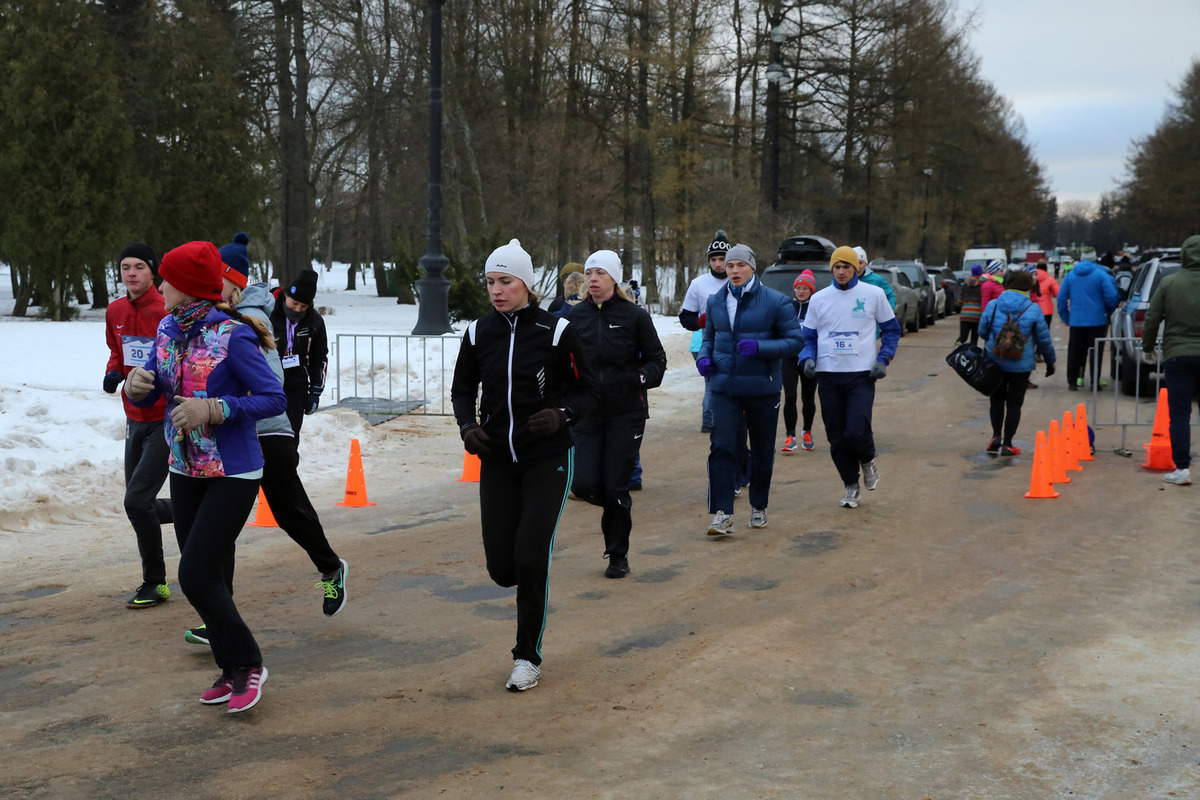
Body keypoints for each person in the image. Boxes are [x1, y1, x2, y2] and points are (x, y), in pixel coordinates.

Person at [124, 240, 286, 714]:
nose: (160, 284)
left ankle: (250, 664)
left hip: (233, 470)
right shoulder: (168, 327)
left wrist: (216, 407)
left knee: (194, 574)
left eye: (167, 278)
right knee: (208, 575)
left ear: (189, 288)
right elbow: (152, 382)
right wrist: (138, 384)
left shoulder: (234, 336)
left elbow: (273, 397)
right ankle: (229, 669)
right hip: (184, 467)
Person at [450, 238, 597, 692]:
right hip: (496, 460)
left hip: (546, 458)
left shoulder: (555, 332)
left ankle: (526, 657)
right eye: (491, 281)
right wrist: (467, 427)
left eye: (506, 281)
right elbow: (460, 391)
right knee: (502, 568)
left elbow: (587, 391)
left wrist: (561, 415)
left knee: (531, 556)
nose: (496, 290)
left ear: (527, 285)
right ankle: (519, 577)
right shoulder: (478, 334)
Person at [219, 233, 348, 617]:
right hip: (237, 429)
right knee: (223, 524)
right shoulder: (239, 314)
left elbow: (275, 381)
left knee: (288, 510)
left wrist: (313, 392)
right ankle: (219, 615)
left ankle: (330, 567)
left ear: (234, 282)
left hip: (269, 427)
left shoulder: (253, 319)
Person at [565, 250, 666, 578]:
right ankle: (615, 506)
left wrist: (635, 379)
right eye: (589, 273)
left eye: (600, 273)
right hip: (587, 413)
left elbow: (657, 362)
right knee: (583, 483)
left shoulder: (633, 316)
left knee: (616, 485)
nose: (592, 279)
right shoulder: (572, 317)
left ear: (614, 279)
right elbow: (555, 362)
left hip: (626, 413)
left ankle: (617, 555)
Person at [697, 243, 802, 535]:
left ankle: (758, 506)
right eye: (730, 266)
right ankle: (721, 513)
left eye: (740, 265)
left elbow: (795, 342)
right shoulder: (716, 301)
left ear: (752, 267)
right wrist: (705, 358)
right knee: (721, 447)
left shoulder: (776, 302)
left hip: (762, 387)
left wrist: (760, 347)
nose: (734, 271)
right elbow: (709, 338)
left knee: (762, 449)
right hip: (725, 387)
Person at [798, 246, 901, 509]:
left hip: (861, 375)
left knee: (857, 430)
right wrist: (807, 358)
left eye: (846, 267)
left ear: (857, 268)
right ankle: (851, 485)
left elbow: (891, 330)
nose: (841, 271)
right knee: (837, 437)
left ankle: (867, 461)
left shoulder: (874, 294)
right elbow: (808, 337)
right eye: (836, 267)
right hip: (828, 375)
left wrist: (883, 359)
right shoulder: (819, 299)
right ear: (831, 270)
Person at [103, 242, 175, 608]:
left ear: (153, 272)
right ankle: (191, 507)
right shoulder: (115, 309)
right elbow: (118, 349)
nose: (131, 273)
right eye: (125, 267)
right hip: (134, 419)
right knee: (138, 504)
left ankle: (156, 583)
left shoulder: (166, 309)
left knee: (137, 500)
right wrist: (113, 372)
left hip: (167, 418)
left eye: (139, 267)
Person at [1140, 234, 1200, 486]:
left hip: (1178, 354)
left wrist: (1147, 348)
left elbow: (1152, 318)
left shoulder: (1168, 282)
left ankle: (1182, 468)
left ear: (1184, 255)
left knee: (1179, 415)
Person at [976, 269, 1056, 456]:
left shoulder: (993, 306)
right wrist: (1051, 362)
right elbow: (1044, 340)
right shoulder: (1033, 309)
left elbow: (981, 331)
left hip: (995, 361)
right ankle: (1008, 444)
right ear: (1028, 287)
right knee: (1014, 403)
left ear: (1006, 284)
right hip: (1021, 365)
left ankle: (996, 437)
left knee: (996, 399)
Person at [680, 231, 732, 432]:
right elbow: (685, 318)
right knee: (712, 382)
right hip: (709, 343)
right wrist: (700, 321)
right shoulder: (698, 284)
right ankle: (709, 421)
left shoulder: (742, 279)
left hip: (737, 342)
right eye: (714, 259)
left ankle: (733, 417)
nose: (718, 264)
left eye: (722, 259)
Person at [269, 269, 327, 442]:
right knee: (268, 436)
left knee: (291, 436)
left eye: (303, 306)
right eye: (294, 303)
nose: (297, 309)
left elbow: (319, 357)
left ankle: (290, 467)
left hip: (296, 385)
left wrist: (315, 391)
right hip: (268, 382)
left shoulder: (314, 321)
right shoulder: (268, 313)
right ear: (286, 295)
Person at [1058, 258, 1119, 391]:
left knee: (1074, 351)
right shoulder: (1101, 275)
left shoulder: (1070, 276)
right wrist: (1107, 311)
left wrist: (1066, 317)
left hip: (1076, 320)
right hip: (1097, 320)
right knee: (1096, 352)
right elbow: (1111, 296)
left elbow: (1061, 298)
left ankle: (1072, 381)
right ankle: (1094, 382)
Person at [781, 270, 818, 453]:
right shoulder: (788, 306)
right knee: (789, 396)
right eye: (798, 288)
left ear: (811, 290)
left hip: (809, 357)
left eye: (805, 288)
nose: (801, 291)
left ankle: (807, 431)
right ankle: (790, 436)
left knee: (808, 397)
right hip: (789, 356)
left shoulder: (817, 306)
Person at [957, 265, 984, 345]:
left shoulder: (965, 285)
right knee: (974, 338)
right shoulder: (982, 286)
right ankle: (972, 353)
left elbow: (959, 301)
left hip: (965, 315)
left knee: (963, 337)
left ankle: (957, 347)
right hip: (977, 316)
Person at [1034, 259, 1059, 329]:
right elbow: (1058, 294)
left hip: (1032, 309)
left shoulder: (1030, 279)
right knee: (1045, 333)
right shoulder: (1050, 279)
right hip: (1046, 311)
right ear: (1046, 268)